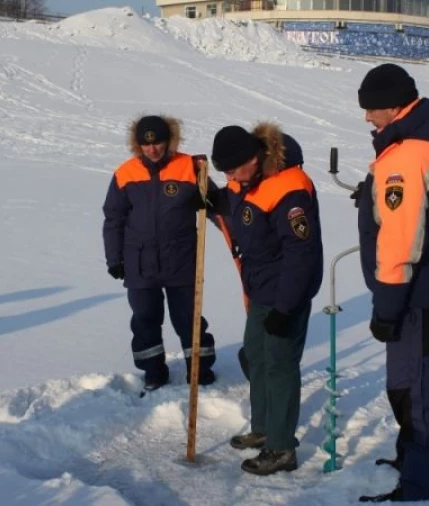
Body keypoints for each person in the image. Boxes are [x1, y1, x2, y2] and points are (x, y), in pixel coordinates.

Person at [354, 64, 429, 502]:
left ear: (396, 105)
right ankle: (411, 457)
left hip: (414, 293)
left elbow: (402, 240)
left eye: (372, 109)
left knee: (411, 387)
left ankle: (419, 484)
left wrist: (387, 308)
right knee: (412, 381)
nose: (366, 117)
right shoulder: (426, 142)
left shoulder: (407, 156)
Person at [207, 123, 323, 476]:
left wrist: (286, 308)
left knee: (279, 365)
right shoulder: (244, 182)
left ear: (255, 159)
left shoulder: (290, 189)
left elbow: (300, 255)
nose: (229, 176)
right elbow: (241, 210)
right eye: (223, 171)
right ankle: (263, 428)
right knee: (255, 355)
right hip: (259, 288)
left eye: (233, 169)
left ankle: (282, 448)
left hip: (287, 293)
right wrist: (215, 201)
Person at [102, 115, 217, 393]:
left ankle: (199, 369)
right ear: (138, 145)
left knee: (188, 317)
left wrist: (208, 201)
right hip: (139, 262)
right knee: (145, 319)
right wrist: (114, 258)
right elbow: (113, 219)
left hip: (181, 259)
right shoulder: (125, 173)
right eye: (146, 144)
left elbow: (218, 206)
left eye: (158, 143)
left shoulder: (190, 167)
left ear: (169, 141)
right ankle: (153, 372)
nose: (152, 149)